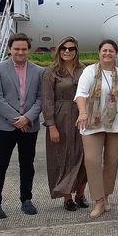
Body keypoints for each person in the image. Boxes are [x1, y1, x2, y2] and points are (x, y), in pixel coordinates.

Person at [0, 33, 44, 219]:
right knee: (0, 164)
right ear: (9, 49)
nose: (20, 52)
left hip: (29, 126)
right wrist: (17, 119)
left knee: (27, 164)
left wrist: (27, 118)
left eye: (24, 49)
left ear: (29, 50)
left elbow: (40, 98)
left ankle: (26, 199)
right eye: (16, 49)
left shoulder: (39, 71)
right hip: (5, 126)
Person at [75, 39, 118, 218]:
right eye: (104, 50)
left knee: (111, 162)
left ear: (116, 54)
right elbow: (81, 94)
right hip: (92, 122)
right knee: (92, 160)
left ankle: (106, 196)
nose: (108, 53)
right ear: (99, 52)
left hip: (116, 124)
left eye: (111, 51)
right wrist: (83, 112)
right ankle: (98, 201)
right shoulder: (89, 71)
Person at [42, 36, 89, 211]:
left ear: (76, 51)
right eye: (64, 48)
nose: (67, 51)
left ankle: (81, 193)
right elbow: (47, 101)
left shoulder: (85, 70)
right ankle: (67, 196)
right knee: (65, 157)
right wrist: (51, 126)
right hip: (60, 117)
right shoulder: (51, 72)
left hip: (82, 116)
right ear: (59, 51)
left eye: (71, 48)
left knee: (84, 156)